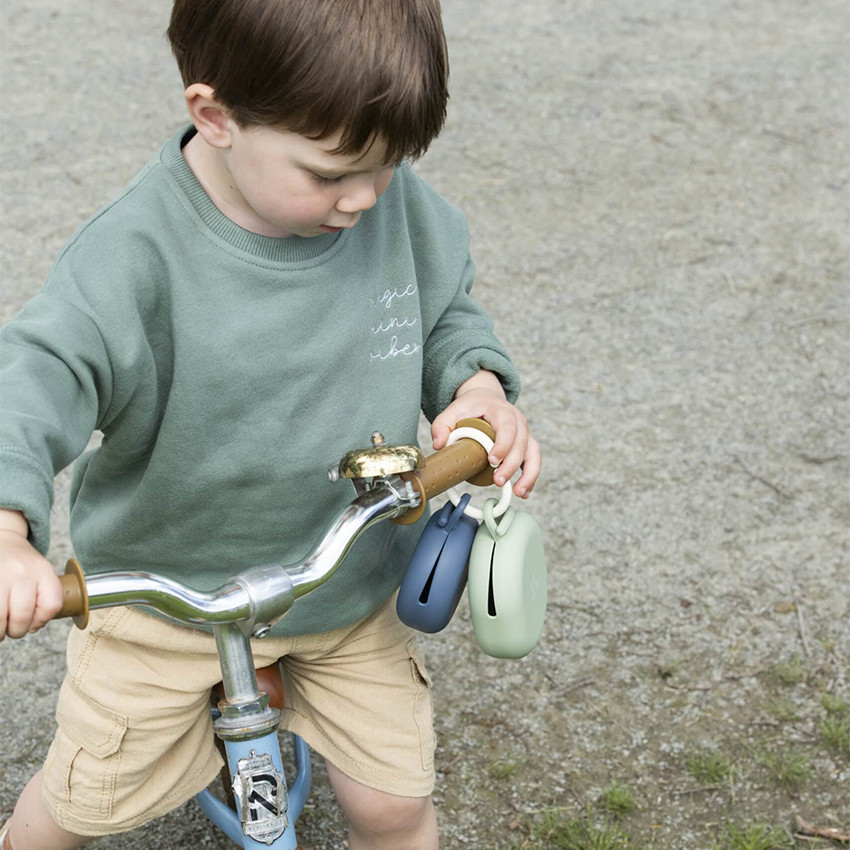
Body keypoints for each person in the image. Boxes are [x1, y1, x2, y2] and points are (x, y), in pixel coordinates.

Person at [0, 0, 541, 847]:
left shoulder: (394, 211)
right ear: (215, 118)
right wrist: (7, 525)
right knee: (78, 804)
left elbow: (444, 314)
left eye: (389, 165)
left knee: (394, 806)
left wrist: (477, 389)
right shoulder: (133, 256)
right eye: (329, 173)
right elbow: (38, 378)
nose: (364, 198)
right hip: (167, 598)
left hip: (345, 584)